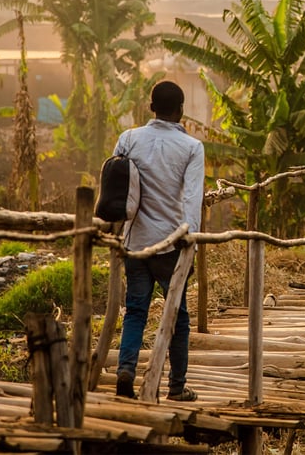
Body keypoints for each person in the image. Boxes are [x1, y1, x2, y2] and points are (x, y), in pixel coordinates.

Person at [114, 81, 204, 402]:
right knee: (177, 315)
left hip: (134, 242)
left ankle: (126, 370)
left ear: (151, 107)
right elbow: (193, 199)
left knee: (135, 311)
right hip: (171, 245)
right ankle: (177, 387)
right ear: (180, 110)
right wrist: (189, 239)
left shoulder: (128, 139)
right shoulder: (192, 147)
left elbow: (116, 187)